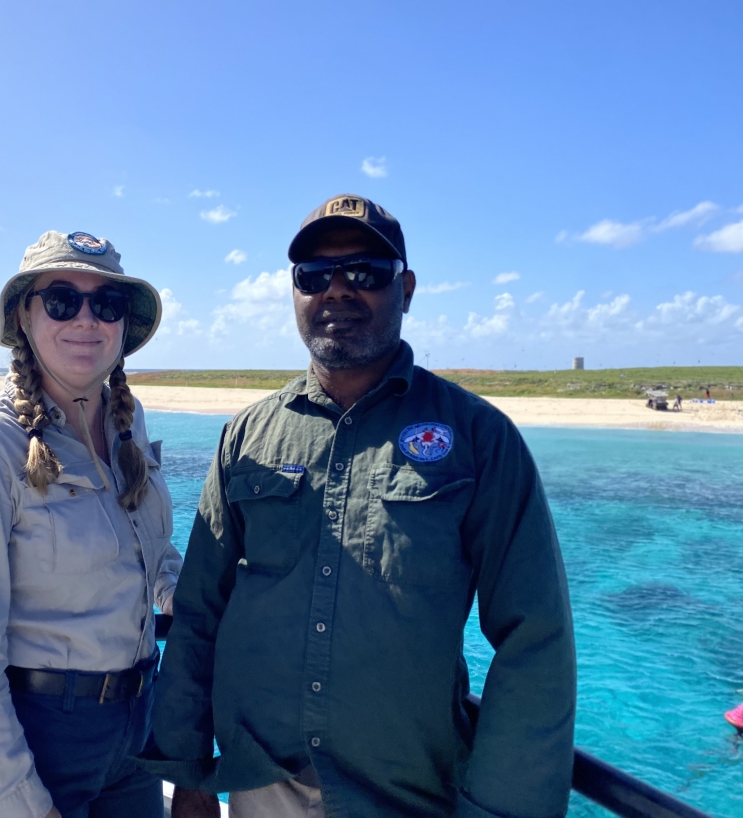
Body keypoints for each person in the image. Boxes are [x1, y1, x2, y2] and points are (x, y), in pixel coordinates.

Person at [142, 195, 577, 818]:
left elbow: (535, 639)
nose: (337, 291)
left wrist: (500, 807)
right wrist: (187, 771)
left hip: (406, 796)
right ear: (294, 293)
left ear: (406, 286)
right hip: (262, 786)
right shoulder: (247, 436)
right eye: (314, 277)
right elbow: (200, 610)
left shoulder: (479, 437)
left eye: (365, 272)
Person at [0, 230, 181, 818]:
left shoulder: (125, 429)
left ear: (123, 327)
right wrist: (20, 805)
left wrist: (192, 597)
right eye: (62, 299)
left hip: (133, 736)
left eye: (106, 304)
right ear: (24, 319)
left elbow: (153, 556)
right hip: (30, 742)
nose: (87, 318)